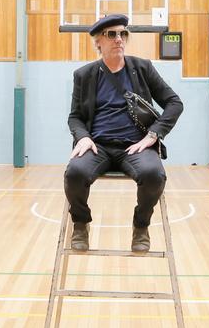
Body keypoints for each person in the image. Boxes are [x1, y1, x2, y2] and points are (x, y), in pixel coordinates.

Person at [64, 14, 183, 252]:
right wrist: (83, 137)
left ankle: (141, 226)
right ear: (98, 42)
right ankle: (80, 223)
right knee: (74, 173)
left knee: (153, 174)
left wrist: (153, 135)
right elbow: (75, 116)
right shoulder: (84, 75)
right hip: (98, 146)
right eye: (112, 34)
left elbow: (174, 103)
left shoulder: (142, 68)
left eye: (123, 34)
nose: (119, 39)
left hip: (135, 146)